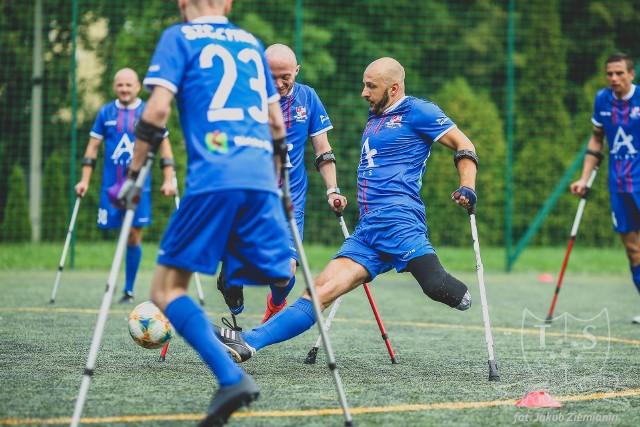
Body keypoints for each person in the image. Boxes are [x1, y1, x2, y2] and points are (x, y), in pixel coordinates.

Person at [213, 57, 477, 365]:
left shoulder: (418, 111)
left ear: (393, 88)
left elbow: (463, 144)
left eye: (370, 86)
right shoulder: (375, 116)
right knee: (317, 293)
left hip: (398, 221)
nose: (364, 92)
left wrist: (467, 186)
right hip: (367, 232)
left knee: (437, 286)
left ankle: (460, 295)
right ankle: (249, 343)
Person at [109, 0, 293, 425]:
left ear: (181, 3)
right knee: (271, 266)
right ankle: (262, 274)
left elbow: (156, 110)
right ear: (228, 3)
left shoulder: (179, 37)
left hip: (215, 177)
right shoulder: (251, 43)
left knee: (165, 289)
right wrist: (276, 181)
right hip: (261, 180)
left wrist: (134, 173)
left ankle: (230, 377)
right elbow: (277, 128)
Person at [216, 43, 347, 324]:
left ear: (296, 71)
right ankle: (230, 281)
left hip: (289, 199)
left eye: (285, 76)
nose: (278, 84)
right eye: (270, 76)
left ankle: (275, 303)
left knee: (285, 272)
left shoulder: (308, 99)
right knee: (231, 279)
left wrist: (332, 189)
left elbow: (323, 150)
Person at [74, 67, 175, 304]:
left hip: (140, 186)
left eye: (129, 84)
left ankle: (128, 290)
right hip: (112, 185)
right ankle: (112, 282)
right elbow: (92, 148)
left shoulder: (149, 111)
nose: (124, 89)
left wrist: (169, 179)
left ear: (138, 86)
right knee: (111, 232)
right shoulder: (105, 112)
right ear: (114, 87)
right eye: (120, 84)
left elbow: (165, 148)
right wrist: (84, 180)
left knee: (132, 236)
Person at [571, 52, 640, 324]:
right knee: (633, 250)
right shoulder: (602, 100)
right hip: (619, 185)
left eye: (619, 73)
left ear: (631, 74)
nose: (614, 78)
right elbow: (597, 139)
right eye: (609, 73)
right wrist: (584, 179)